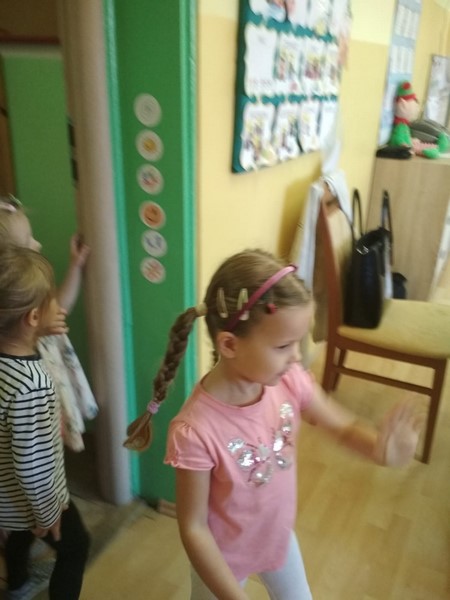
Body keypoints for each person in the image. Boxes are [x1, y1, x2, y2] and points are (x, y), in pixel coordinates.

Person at [124, 249, 422, 600]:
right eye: (283, 345)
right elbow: (194, 528)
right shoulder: (195, 431)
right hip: (221, 559)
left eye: (297, 342)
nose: (296, 356)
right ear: (230, 344)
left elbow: (342, 427)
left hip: (277, 536)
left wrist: (380, 450)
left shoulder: (288, 379)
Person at [0, 245, 90, 600]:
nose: (58, 306)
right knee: (76, 546)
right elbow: (33, 465)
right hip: (37, 499)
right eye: (52, 299)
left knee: (19, 533)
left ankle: (17, 584)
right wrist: (48, 513)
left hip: (7, 496)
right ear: (33, 317)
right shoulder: (32, 385)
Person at [0, 194, 98, 452]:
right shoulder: (14, 307)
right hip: (30, 388)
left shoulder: (35, 288)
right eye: (28, 240)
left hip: (44, 389)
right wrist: (39, 330)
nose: (38, 243)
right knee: (36, 444)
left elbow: (60, 307)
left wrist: (76, 265)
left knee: (46, 438)